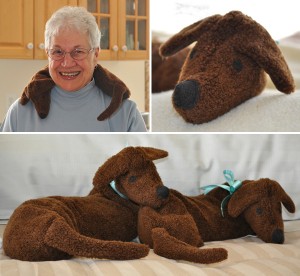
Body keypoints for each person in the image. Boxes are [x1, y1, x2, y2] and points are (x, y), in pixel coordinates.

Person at [0, 6, 147, 132]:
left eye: (78, 52)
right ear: (47, 54)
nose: (67, 63)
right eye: (57, 52)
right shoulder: (20, 113)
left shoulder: (126, 114)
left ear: (95, 54)